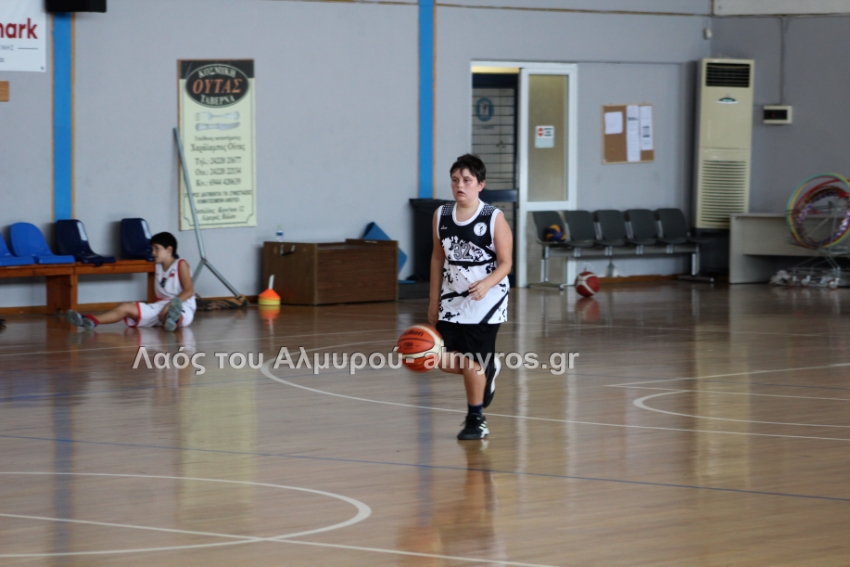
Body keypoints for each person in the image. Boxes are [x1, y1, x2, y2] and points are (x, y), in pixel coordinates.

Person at [428, 154, 512, 440]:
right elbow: (437, 258)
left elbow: (506, 263)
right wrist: (433, 301)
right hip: (451, 299)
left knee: (471, 362)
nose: (460, 186)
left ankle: (476, 419)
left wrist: (486, 284)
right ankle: (488, 369)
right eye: (455, 180)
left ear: (480, 184)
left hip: (485, 302)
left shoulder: (493, 218)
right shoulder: (441, 215)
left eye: (466, 180)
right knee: (438, 358)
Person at [65, 232, 196, 332]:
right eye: (152, 248)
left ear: (169, 250)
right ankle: (91, 320)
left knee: (168, 314)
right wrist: (161, 307)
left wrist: (169, 306)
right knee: (125, 307)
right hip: (160, 306)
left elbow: (189, 291)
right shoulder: (157, 266)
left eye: (157, 248)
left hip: (183, 305)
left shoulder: (181, 264)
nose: (153, 252)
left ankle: (173, 318)